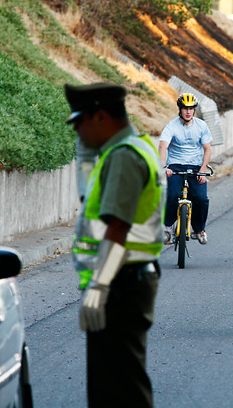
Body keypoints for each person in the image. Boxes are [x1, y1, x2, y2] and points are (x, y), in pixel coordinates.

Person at [66, 82, 165, 408]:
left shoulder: (123, 157)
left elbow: (117, 230)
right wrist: (84, 156)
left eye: (80, 121)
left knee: (121, 389)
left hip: (121, 283)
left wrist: (98, 286)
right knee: (113, 386)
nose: (78, 129)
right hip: (124, 280)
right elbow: (90, 202)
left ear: (101, 116)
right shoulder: (131, 149)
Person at [158, 93, 213, 245]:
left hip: (196, 166)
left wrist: (202, 169)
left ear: (194, 110)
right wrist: (164, 167)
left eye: (191, 108)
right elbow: (163, 146)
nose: (188, 112)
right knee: (172, 195)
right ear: (179, 109)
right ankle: (167, 227)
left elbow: (207, 149)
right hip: (175, 166)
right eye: (185, 109)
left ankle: (199, 229)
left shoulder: (201, 126)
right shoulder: (172, 126)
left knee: (201, 198)